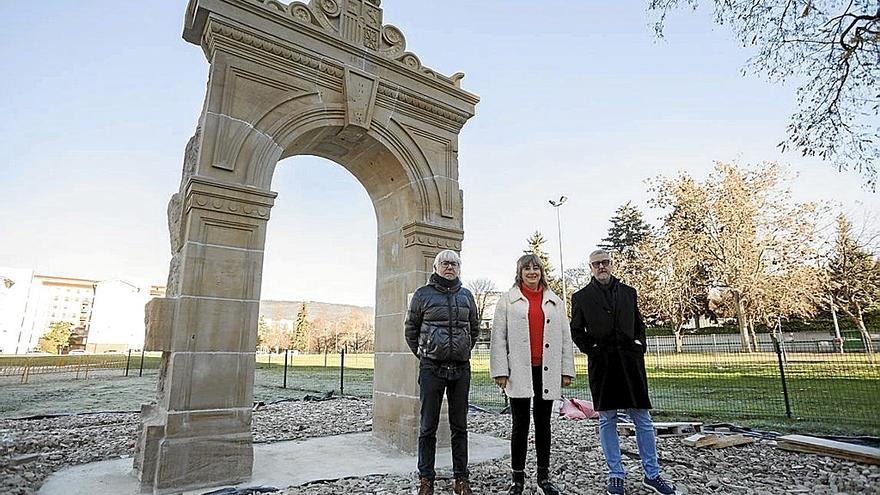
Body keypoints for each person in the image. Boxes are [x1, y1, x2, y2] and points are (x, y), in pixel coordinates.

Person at [569, 249, 677, 495]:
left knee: (642, 418)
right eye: (596, 264)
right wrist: (593, 350)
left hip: (630, 364)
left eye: (605, 262)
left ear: (611, 264)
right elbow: (577, 331)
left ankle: (652, 474)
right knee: (607, 419)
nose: (601, 267)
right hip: (603, 365)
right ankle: (616, 474)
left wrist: (639, 345)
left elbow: (639, 324)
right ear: (591, 267)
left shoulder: (629, 293)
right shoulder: (581, 297)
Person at [490, 254, 576, 495]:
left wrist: (566, 370)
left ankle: (543, 477)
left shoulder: (555, 301)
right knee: (520, 425)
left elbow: (565, 339)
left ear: (541, 271)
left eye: (535, 268)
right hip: (518, 371)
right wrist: (500, 371)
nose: (531, 272)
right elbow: (499, 338)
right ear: (519, 272)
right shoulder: (507, 301)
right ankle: (517, 478)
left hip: (546, 371)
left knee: (543, 424)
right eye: (526, 268)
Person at [405, 249, 480, 495]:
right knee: (428, 426)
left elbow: (475, 329)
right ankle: (426, 479)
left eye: (454, 263)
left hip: (460, 369)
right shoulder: (422, 295)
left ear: (459, 268)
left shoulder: (467, 296)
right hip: (431, 368)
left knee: (460, 426)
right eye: (445, 263)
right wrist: (427, 352)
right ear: (436, 267)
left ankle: (461, 478)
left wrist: (460, 350)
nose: (450, 267)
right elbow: (411, 330)